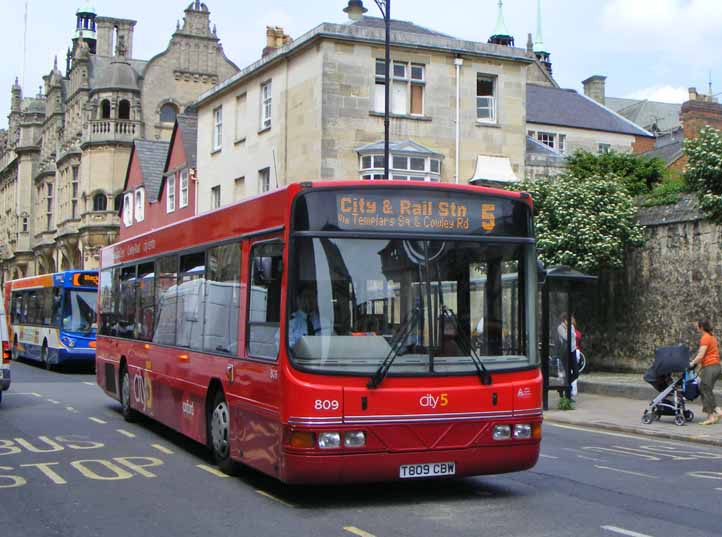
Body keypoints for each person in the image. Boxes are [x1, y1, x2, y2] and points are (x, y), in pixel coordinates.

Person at [690, 320, 722, 425]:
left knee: (704, 388)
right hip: (716, 366)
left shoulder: (705, 338)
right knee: (705, 388)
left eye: (697, 326)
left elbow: (701, 354)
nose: (696, 327)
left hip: (710, 367)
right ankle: (715, 411)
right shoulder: (711, 336)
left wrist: (692, 363)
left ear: (701, 327)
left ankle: (713, 415)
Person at [557, 313, 578, 400]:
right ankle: (567, 396)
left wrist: (570, 328)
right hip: (565, 353)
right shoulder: (560, 328)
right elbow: (566, 337)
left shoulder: (571, 326)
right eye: (568, 320)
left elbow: (575, 336)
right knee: (567, 373)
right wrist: (569, 329)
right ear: (564, 320)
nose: (570, 322)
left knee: (576, 372)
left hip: (572, 350)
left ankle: (563, 387)